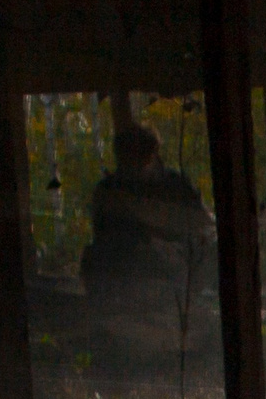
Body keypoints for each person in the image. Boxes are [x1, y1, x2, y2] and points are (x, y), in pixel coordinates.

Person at [81, 125, 215, 313]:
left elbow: (204, 224)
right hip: (127, 274)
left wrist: (173, 247)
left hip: (172, 271)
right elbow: (105, 239)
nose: (130, 166)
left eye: (137, 158)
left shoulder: (175, 185)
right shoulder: (109, 190)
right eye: (125, 159)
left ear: (151, 155)